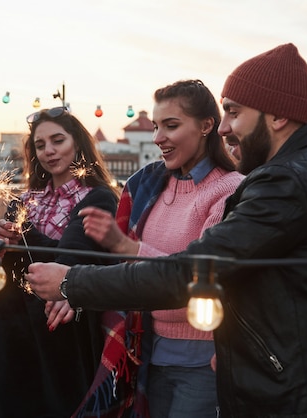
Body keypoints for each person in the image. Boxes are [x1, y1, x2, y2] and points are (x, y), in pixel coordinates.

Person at [25, 43, 307, 417]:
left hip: (292, 384)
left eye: (234, 113)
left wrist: (72, 283)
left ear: (276, 117)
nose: (224, 127)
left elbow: (193, 271)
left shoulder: (288, 181)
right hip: (277, 366)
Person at [79, 79, 243, 418]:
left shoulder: (228, 190)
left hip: (204, 359)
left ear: (206, 126)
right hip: (149, 352)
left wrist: (125, 245)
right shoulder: (150, 185)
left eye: (171, 125)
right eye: (155, 127)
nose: (157, 138)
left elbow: (201, 273)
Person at [0, 107, 119, 417]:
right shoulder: (24, 199)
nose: (48, 151)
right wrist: (0, 239)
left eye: (58, 140)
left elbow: (69, 261)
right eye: (40, 144)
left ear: (78, 144)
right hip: (12, 330)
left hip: (60, 331)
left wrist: (26, 237)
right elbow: (7, 266)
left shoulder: (96, 197)